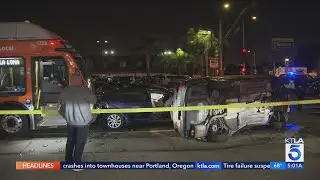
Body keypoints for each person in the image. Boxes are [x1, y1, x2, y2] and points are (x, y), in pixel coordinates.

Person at [58, 74, 97, 171]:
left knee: (70, 142)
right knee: (80, 143)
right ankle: (77, 164)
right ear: (80, 81)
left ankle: (68, 161)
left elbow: (59, 108)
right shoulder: (85, 91)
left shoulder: (65, 91)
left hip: (70, 122)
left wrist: (66, 116)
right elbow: (94, 100)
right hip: (83, 123)